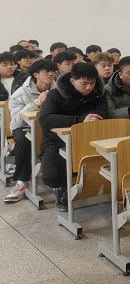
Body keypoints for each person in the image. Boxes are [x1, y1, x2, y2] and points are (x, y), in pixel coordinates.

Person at [39, 63, 108, 211]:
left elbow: (102, 112)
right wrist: (79, 120)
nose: (89, 87)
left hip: (89, 139)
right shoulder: (55, 94)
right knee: (54, 170)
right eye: (84, 83)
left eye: (92, 83)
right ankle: (61, 188)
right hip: (57, 140)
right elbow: (45, 119)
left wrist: (90, 118)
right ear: (72, 81)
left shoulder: (98, 92)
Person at [5, 59, 57, 203]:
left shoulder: (58, 89)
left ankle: (61, 180)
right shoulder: (20, 93)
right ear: (36, 74)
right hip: (23, 127)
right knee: (24, 140)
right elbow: (17, 121)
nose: (51, 74)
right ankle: (21, 181)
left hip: (48, 125)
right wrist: (37, 103)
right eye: (46, 71)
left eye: (53, 71)